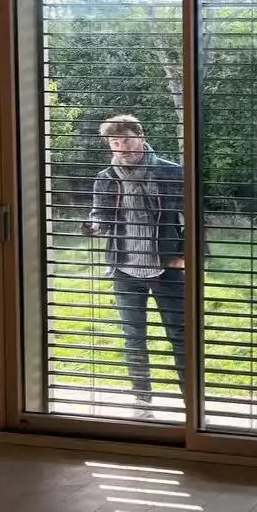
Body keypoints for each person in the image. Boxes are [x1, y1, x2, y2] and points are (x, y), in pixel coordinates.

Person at [82, 114, 185, 418]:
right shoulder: (106, 177)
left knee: (181, 337)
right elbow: (100, 215)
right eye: (115, 142)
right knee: (134, 339)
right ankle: (143, 403)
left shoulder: (170, 172)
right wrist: (93, 226)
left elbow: (193, 216)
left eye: (126, 140)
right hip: (125, 269)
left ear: (141, 137)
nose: (121, 148)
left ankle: (193, 404)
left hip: (167, 268)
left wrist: (185, 255)